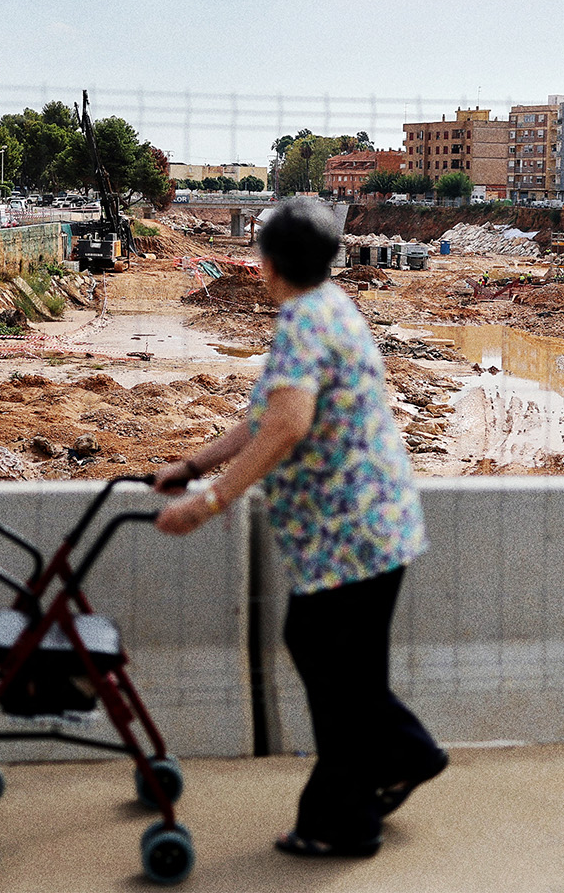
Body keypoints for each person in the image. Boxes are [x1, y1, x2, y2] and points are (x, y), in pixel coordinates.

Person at [154, 196, 447, 858]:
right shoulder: (331, 307)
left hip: (349, 534)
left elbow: (287, 425)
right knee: (343, 667)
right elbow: (267, 415)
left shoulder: (303, 323)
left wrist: (208, 503)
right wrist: (195, 464)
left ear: (269, 264)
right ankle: (406, 756)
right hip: (373, 526)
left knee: (329, 663)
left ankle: (343, 820)